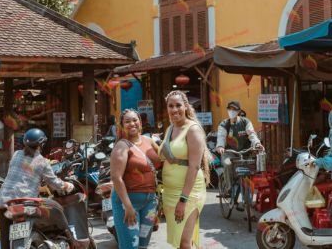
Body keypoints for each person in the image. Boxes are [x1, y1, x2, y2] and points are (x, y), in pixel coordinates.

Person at [0, 128, 74, 249]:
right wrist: (67, 185)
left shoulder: (16, 155)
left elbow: (21, 175)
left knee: (5, 239)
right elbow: (53, 182)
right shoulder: (42, 162)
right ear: (41, 144)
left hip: (4, 201)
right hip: (24, 203)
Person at [158, 90, 209, 249]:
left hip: (188, 193)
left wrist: (183, 200)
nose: (174, 110)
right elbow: (165, 156)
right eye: (170, 106)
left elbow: (194, 166)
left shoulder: (193, 130)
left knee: (184, 242)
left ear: (186, 106)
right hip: (170, 192)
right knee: (182, 241)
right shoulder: (170, 129)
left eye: (178, 105)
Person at [110, 109, 161, 249]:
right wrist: (128, 206)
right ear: (122, 125)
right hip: (127, 203)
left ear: (140, 121)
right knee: (130, 246)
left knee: (144, 243)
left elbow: (164, 159)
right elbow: (116, 177)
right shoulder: (122, 146)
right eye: (127, 121)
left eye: (134, 120)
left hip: (150, 203)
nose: (132, 124)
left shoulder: (149, 141)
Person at [216, 101, 264, 195]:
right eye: (230, 109)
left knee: (250, 168)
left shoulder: (245, 122)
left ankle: (247, 195)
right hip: (229, 152)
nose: (232, 111)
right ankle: (229, 188)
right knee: (227, 164)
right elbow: (221, 136)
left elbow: (252, 134)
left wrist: (257, 143)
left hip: (244, 152)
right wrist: (220, 146)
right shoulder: (224, 124)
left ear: (239, 111)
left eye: (234, 109)